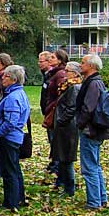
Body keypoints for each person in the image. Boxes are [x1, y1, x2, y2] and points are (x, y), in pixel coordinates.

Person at [0, 65, 30, 210]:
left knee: (9, 171)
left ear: (13, 79)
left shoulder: (13, 97)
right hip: (14, 137)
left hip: (9, 138)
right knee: (15, 169)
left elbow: (11, 121)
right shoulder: (20, 93)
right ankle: (19, 198)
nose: (2, 78)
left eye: (5, 76)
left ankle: (10, 202)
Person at [76, 54, 109, 210]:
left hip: (90, 130)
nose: (80, 64)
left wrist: (79, 124)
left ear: (91, 66)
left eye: (83, 62)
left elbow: (88, 108)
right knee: (95, 165)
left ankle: (94, 202)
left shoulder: (93, 84)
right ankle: (101, 197)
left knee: (90, 167)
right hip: (96, 130)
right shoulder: (96, 82)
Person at [52, 61, 82, 198]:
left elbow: (71, 108)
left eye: (68, 71)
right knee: (62, 157)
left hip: (68, 127)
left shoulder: (74, 87)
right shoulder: (67, 86)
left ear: (75, 73)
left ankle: (70, 188)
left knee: (67, 158)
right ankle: (64, 183)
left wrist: (60, 120)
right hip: (64, 126)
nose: (65, 73)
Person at [45, 49, 69, 180]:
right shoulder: (53, 73)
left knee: (56, 143)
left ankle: (59, 172)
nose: (50, 59)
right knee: (53, 142)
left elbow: (62, 93)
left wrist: (53, 107)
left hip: (55, 112)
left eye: (53, 57)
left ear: (60, 60)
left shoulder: (60, 74)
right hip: (51, 109)